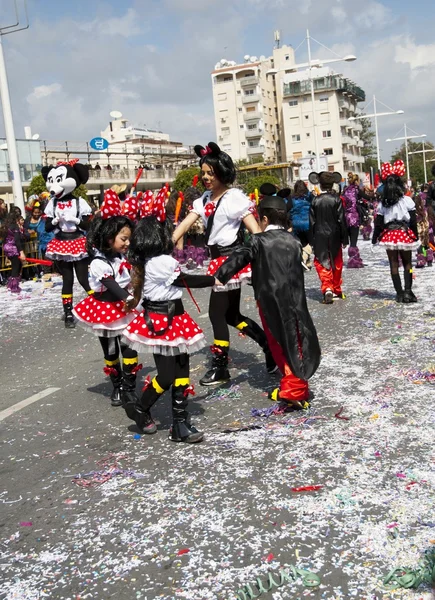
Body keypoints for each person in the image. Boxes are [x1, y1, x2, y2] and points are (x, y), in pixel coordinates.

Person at [172, 142, 276, 386]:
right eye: (204, 173)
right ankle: (268, 346)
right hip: (216, 260)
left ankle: (221, 367)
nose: (206, 178)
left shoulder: (234, 198)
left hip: (230, 261)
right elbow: (185, 224)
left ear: (222, 171)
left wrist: (267, 253)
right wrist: (163, 244)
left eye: (211, 173)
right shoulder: (205, 198)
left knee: (217, 314)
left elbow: (254, 231)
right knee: (230, 315)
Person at [122, 196, 216, 443]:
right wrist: (213, 279)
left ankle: (180, 424)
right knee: (166, 375)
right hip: (162, 319)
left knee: (182, 369)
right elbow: (182, 280)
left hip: (173, 317)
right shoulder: (160, 262)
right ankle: (141, 408)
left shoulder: (150, 262)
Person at [215, 195, 321, 408]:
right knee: (296, 338)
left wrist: (220, 275)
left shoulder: (258, 240)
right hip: (295, 299)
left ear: (263, 219)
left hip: (270, 300)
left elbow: (239, 257)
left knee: (278, 341)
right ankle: (297, 384)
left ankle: (293, 390)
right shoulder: (294, 240)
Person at [72, 190, 140, 407]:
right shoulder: (98, 263)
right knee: (111, 350)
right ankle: (117, 385)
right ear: (110, 238)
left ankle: (129, 386)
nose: (128, 243)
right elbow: (110, 283)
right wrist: (128, 298)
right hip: (107, 309)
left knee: (129, 348)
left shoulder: (123, 258)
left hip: (126, 308)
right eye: (124, 238)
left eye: (129, 238)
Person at [42, 160, 93, 328]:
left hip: (78, 242)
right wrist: (55, 221)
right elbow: (48, 227)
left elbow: (88, 225)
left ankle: (97, 305)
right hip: (61, 243)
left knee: (84, 279)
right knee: (67, 280)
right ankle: (68, 312)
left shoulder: (80, 202)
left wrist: (77, 220)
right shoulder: (52, 203)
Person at [372, 160, 420, 303]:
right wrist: (415, 236)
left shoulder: (383, 203)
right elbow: (412, 221)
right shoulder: (407, 201)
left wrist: (375, 238)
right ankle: (408, 291)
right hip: (404, 233)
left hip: (389, 235)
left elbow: (378, 223)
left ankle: (398, 294)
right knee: (408, 264)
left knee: (393, 264)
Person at [310, 171, 348, 304]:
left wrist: (312, 240)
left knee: (321, 261)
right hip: (335, 234)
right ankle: (336, 289)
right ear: (332, 184)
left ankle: (327, 288)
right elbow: (341, 220)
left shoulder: (315, 200)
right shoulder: (337, 199)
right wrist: (345, 238)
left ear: (319, 184)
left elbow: (312, 222)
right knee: (336, 261)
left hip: (319, 235)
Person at [342, 173, 370, 268]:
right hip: (354, 217)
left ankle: (352, 258)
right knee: (353, 241)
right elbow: (368, 198)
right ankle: (353, 260)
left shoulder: (345, 190)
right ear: (356, 181)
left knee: (350, 239)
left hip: (346, 217)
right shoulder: (357, 190)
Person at [287, 180, 313, 269]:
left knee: (301, 242)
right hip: (308, 223)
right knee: (309, 243)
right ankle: (304, 257)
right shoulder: (309, 196)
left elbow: (287, 210)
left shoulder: (291, 198)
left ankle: (307, 262)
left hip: (296, 224)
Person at [0, 210, 26, 293]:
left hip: (6, 247)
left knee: (15, 266)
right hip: (13, 248)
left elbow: (4, 239)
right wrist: (21, 252)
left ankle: (11, 285)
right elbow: (17, 240)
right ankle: (14, 287)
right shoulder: (14, 227)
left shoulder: (5, 226)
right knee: (16, 267)